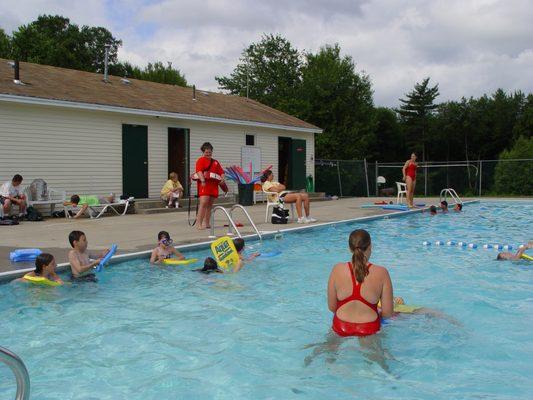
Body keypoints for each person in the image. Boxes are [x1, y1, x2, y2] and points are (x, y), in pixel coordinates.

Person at [327, 229, 400, 337]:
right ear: (370, 246)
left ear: (349, 248)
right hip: (368, 327)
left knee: (326, 350)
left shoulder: (337, 269)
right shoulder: (382, 272)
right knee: (376, 354)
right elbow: (387, 314)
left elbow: (332, 307)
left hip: (341, 325)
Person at [194, 142, 226, 229]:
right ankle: (199, 223)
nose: (208, 154)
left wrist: (222, 178)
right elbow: (199, 171)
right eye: (206, 152)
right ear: (203, 152)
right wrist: (203, 180)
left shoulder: (215, 162)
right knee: (203, 203)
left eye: (210, 152)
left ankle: (207, 223)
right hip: (204, 184)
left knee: (210, 205)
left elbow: (221, 172)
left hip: (213, 185)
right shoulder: (200, 160)